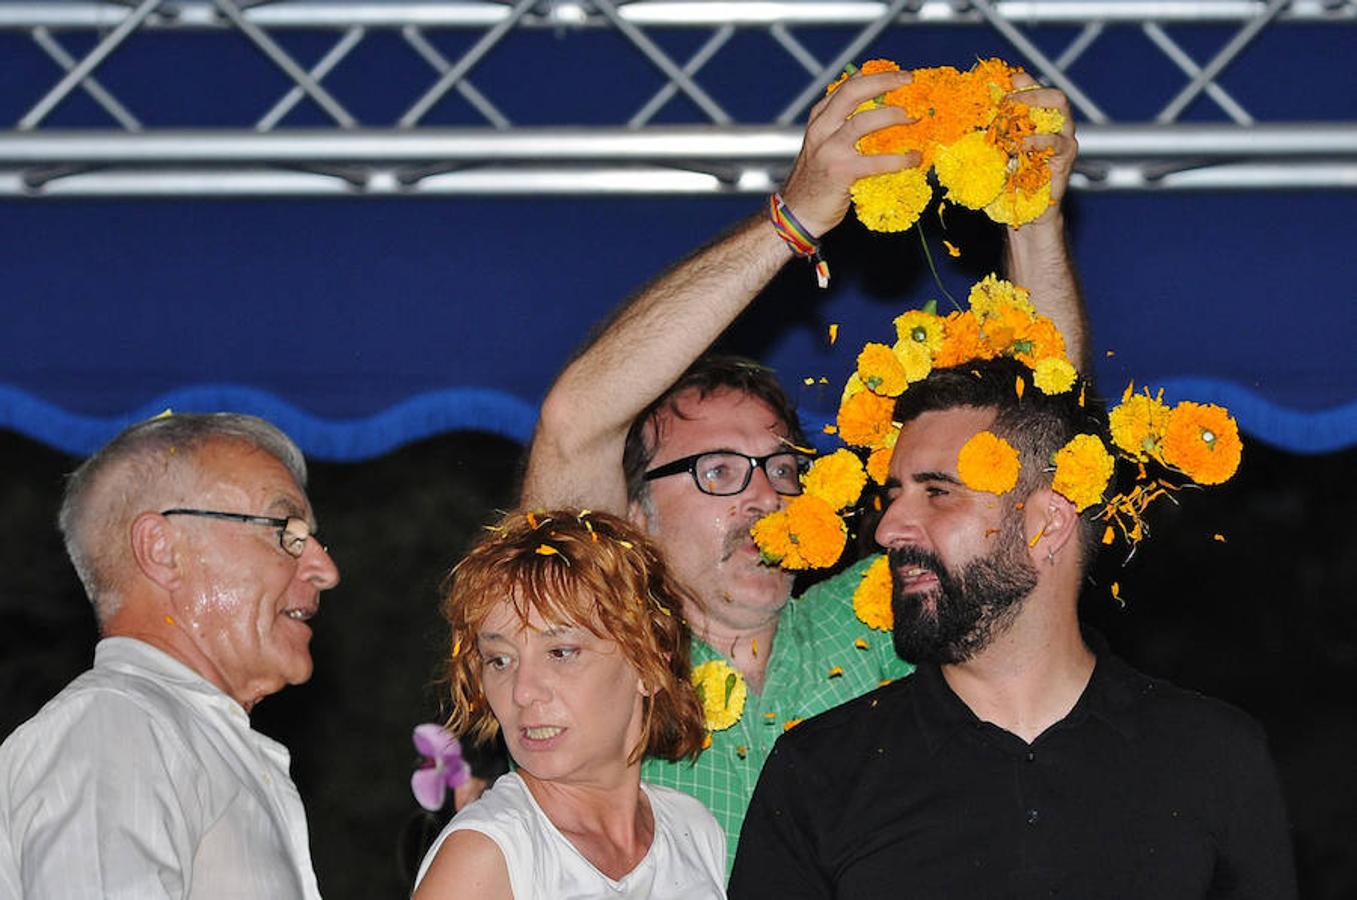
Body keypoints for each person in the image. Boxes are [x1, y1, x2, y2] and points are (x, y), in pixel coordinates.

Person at [520, 64, 1087, 865]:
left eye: (781, 467)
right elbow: (575, 420)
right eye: (718, 472)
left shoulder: (875, 613)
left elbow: (1036, 455)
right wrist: (796, 217)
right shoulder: (601, 641)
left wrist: (1030, 218)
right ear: (631, 513)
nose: (764, 498)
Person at [726, 358, 1298, 898]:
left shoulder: (1213, 755)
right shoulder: (818, 773)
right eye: (894, 495)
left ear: (1047, 525)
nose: (889, 529)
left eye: (938, 493)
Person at [0, 412, 340, 898]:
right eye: (285, 531)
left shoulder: (178, 738)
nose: (325, 568)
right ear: (161, 549)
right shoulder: (117, 725)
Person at [412, 509, 726, 899]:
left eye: (560, 652)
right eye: (500, 660)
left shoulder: (693, 828)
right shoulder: (487, 855)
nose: (522, 691)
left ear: (649, 664)